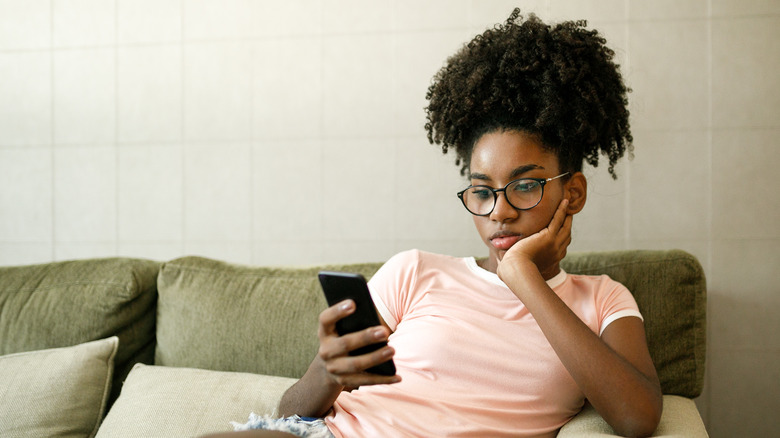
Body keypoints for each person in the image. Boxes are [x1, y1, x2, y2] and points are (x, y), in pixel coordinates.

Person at [210, 8, 662, 438]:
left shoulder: (603, 300)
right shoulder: (415, 272)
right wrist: (326, 376)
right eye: (482, 191)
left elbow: (637, 418)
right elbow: (288, 413)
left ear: (574, 193)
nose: (499, 212)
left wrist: (523, 275)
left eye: (525, 187)